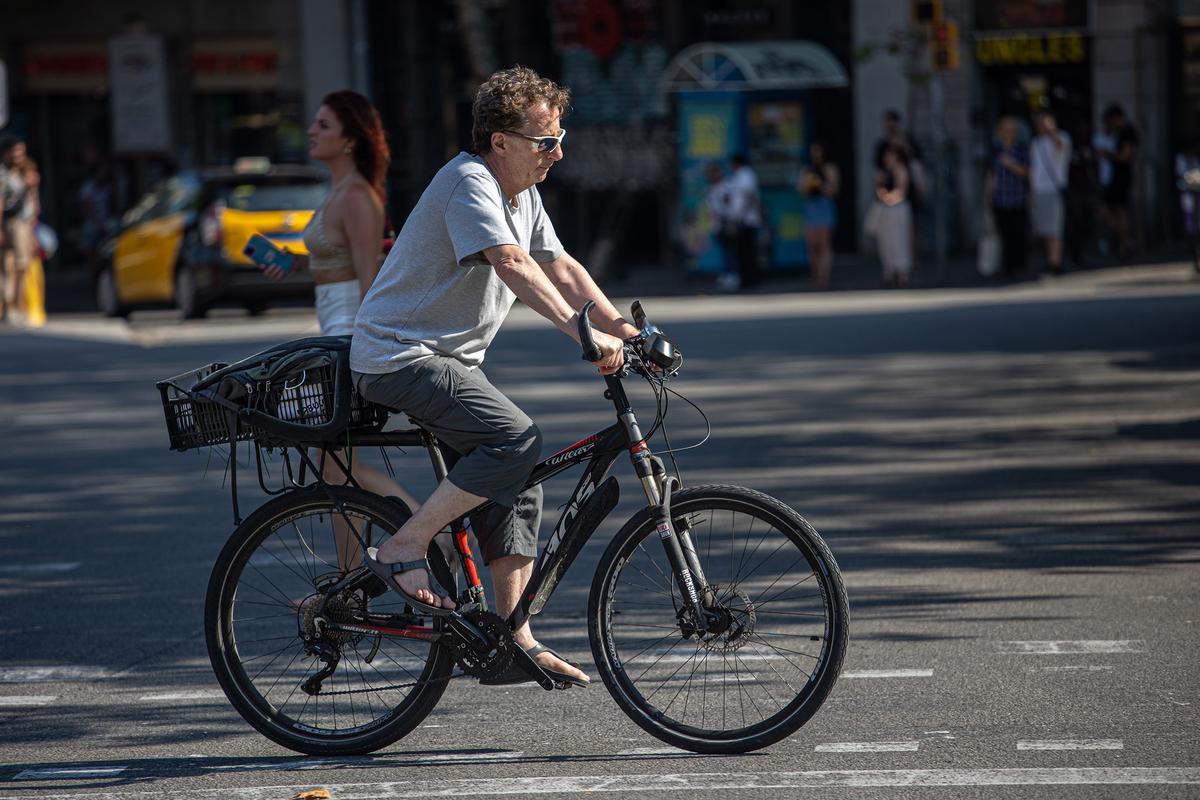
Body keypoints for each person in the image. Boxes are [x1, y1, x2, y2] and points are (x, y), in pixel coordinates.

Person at [350, 66, 639, 687]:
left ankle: (514, 638)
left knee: (518, 476)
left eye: (560, 139)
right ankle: (404, 545)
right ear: (500, 141)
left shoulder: (520, 194)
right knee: (515, 440)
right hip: (399, 356)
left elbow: (558, 263)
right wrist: (580, 332)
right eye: (545, 142)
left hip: (444, 361)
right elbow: (511, 263)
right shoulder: (469, 183)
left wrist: (627, 329)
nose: (557, 153)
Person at [260, 90, 420, 566]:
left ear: (351, 140)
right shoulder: (337, 191)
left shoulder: (356, 197)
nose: (312, 131)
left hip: (351, 335)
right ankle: (350, 575)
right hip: (334, 329)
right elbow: (338, 261)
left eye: (324, 126)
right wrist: (291, 260)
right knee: (335, 468)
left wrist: (367, 347)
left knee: (336, 465)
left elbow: (371, 279)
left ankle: (428, 532)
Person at [984, 116, 1030, 278]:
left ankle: (1020, 266)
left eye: (1011, 130)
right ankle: (1007, 267)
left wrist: (1011, 164)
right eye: (1005, 130)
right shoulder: (995, 150)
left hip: (1018, 198)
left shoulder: (1022, 149)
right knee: (1004, 235)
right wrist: (988, 197)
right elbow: (991, 175)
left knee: (1019, 235)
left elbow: (1027, 173)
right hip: (1000, 199)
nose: (1008, 133)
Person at [1029, 111, 1072, 275]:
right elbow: (1034, 169)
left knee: (1055, 229)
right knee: (1045, 230)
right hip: (1039, 190)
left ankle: (1057, 263)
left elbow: (1060, 145)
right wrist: (1031, 193)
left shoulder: (1062, 137)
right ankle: (1051, 260)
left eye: (1045, 123)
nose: (1042, 126)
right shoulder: (1036, 143)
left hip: (1054, 190)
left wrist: (1052, 131)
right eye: (1040, 123)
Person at [0, 137, 38, 323]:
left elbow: (32, 203)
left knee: (22, 266)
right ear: (7, 152)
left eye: (21, 151)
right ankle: (10, 307)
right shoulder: (3, 174)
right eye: (15, 151)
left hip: (24, 225)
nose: (19, 155)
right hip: (11, 224)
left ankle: (18, 306)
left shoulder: (23, 172)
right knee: (11, 266)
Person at [1096, 103, 1139, 258]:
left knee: (1120, 211)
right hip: (1112, 178)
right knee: (1108, 211)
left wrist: (1107, 154)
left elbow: (1125, 156)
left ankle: (1126, 242)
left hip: (1121, 177)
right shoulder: (1116, 133)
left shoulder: (1127, 132)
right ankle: (1125, 241)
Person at [798, 141, 839, 290]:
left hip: (824, 206)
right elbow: (801, 190)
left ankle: (824, 277)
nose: (815, 155)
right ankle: (815, 275)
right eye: (813, 152)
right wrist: (808, 185)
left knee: (824, 244)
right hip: (811, 207)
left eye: (818, 151)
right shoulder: (806, 170)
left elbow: (833, 190)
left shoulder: (829, 169)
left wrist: (821, 185)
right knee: (812, 245)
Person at [873, 144, 913, 288]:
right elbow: (877, 187)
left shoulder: (901, 169)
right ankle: (889, 273)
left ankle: (903, 274)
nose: (887, 158)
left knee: (899, 241)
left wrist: (889, 198)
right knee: (886, 243)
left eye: (890, 155)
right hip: (885, 209)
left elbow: (902, 191)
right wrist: (881, 194)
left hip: (898, 209)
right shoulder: (882, 171)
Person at [725, 153, 762, 290]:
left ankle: (751, 279)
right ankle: (745, 278)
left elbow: (749, 196)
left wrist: (742, 215)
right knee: (741, 251)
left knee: (748, 251)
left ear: (736, 163)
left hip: (746, 220)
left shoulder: (746, 175)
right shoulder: (737, 176)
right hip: (740, 219)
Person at [1065, 121, 1098, 270]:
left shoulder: (1089, 148)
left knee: (1085, 222)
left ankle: (1083, 253)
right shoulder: (1070, 148)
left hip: (1086, 190)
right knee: (1074, 224)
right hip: (1073, 190)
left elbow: (1092, 169)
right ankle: (1075, 254)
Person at [704, 161, 738, 291]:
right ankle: (727, 275)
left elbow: (729, 206)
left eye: (716, 172)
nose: (714, 175)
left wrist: (730, 219)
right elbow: (710, 209)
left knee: (730, 251)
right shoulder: (712, 189)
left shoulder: (727, 187)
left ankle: (733, 276)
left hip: (727, 222)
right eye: (712, 173)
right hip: (717, 225)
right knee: (724, 251)